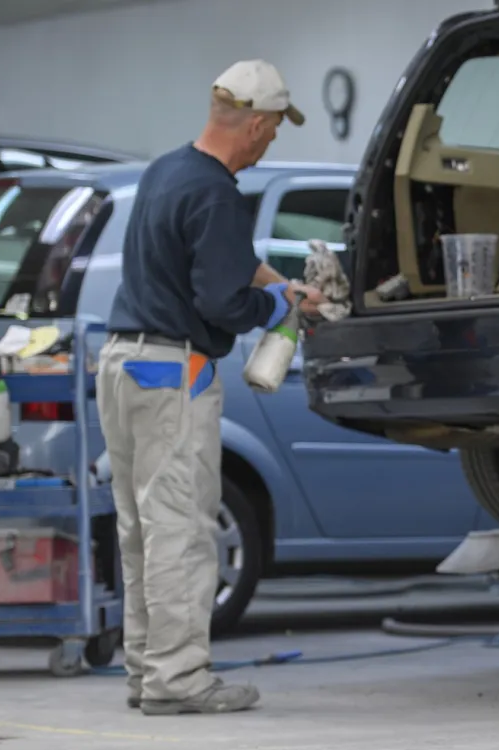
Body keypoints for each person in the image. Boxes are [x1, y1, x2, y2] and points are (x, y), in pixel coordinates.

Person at [98, 59, 323, 715]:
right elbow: (221, 300)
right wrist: (277, 310)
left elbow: (219, 264)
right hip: (173, 373)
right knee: (181, 532)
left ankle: (147, 671)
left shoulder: (168, 171)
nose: (275, 140)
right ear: (254, 124)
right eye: (276, 128)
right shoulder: (219, 192)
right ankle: (179, 681)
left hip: (123, 363)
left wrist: (274, 283)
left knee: (143, 531)